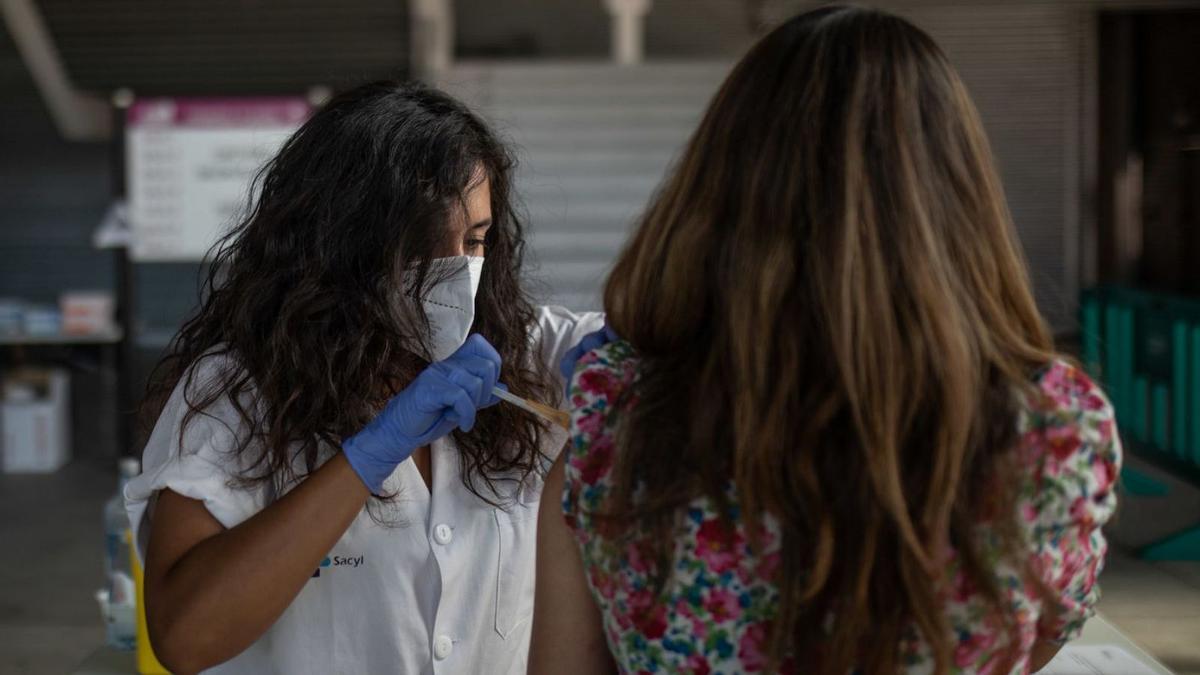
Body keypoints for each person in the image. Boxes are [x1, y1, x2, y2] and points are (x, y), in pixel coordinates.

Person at [530, 6, 1121, 675]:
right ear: (958, 194)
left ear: (722, 185)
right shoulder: (1053, 432)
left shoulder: (617, 424)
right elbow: (1035, 640)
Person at [125, 81, 603, 674]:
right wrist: (366, 458)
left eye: (475, 241)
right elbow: (184, 638)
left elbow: (686, 335)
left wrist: (647, 340)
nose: (458, 271)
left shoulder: (524, 358)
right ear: (341, 241)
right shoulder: (237, 390)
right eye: (424, 245)